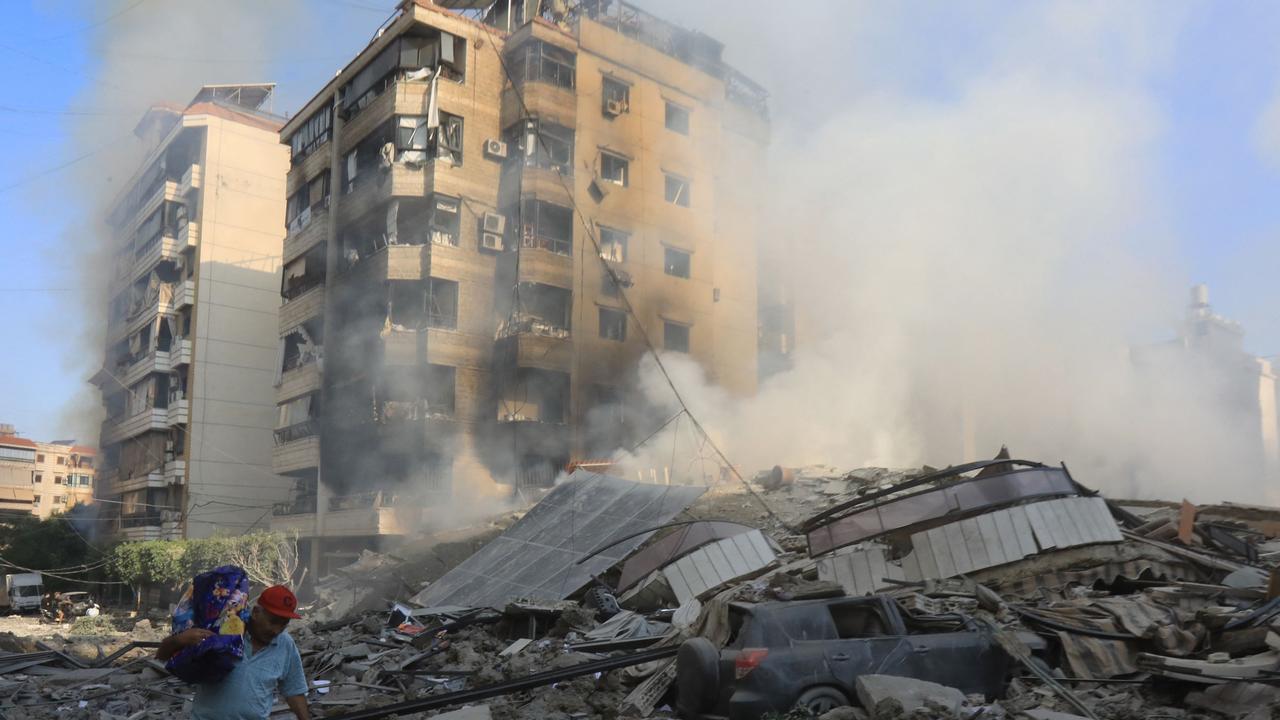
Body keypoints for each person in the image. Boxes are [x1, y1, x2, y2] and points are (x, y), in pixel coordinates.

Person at [157, 585, 310, 719]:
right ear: (256, 612)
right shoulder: (224, 629)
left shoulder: (285, 644)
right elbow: (162, 656)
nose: (277, 630)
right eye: (273, 622)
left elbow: (294, 691)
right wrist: (178, 640)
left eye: (284, 624)